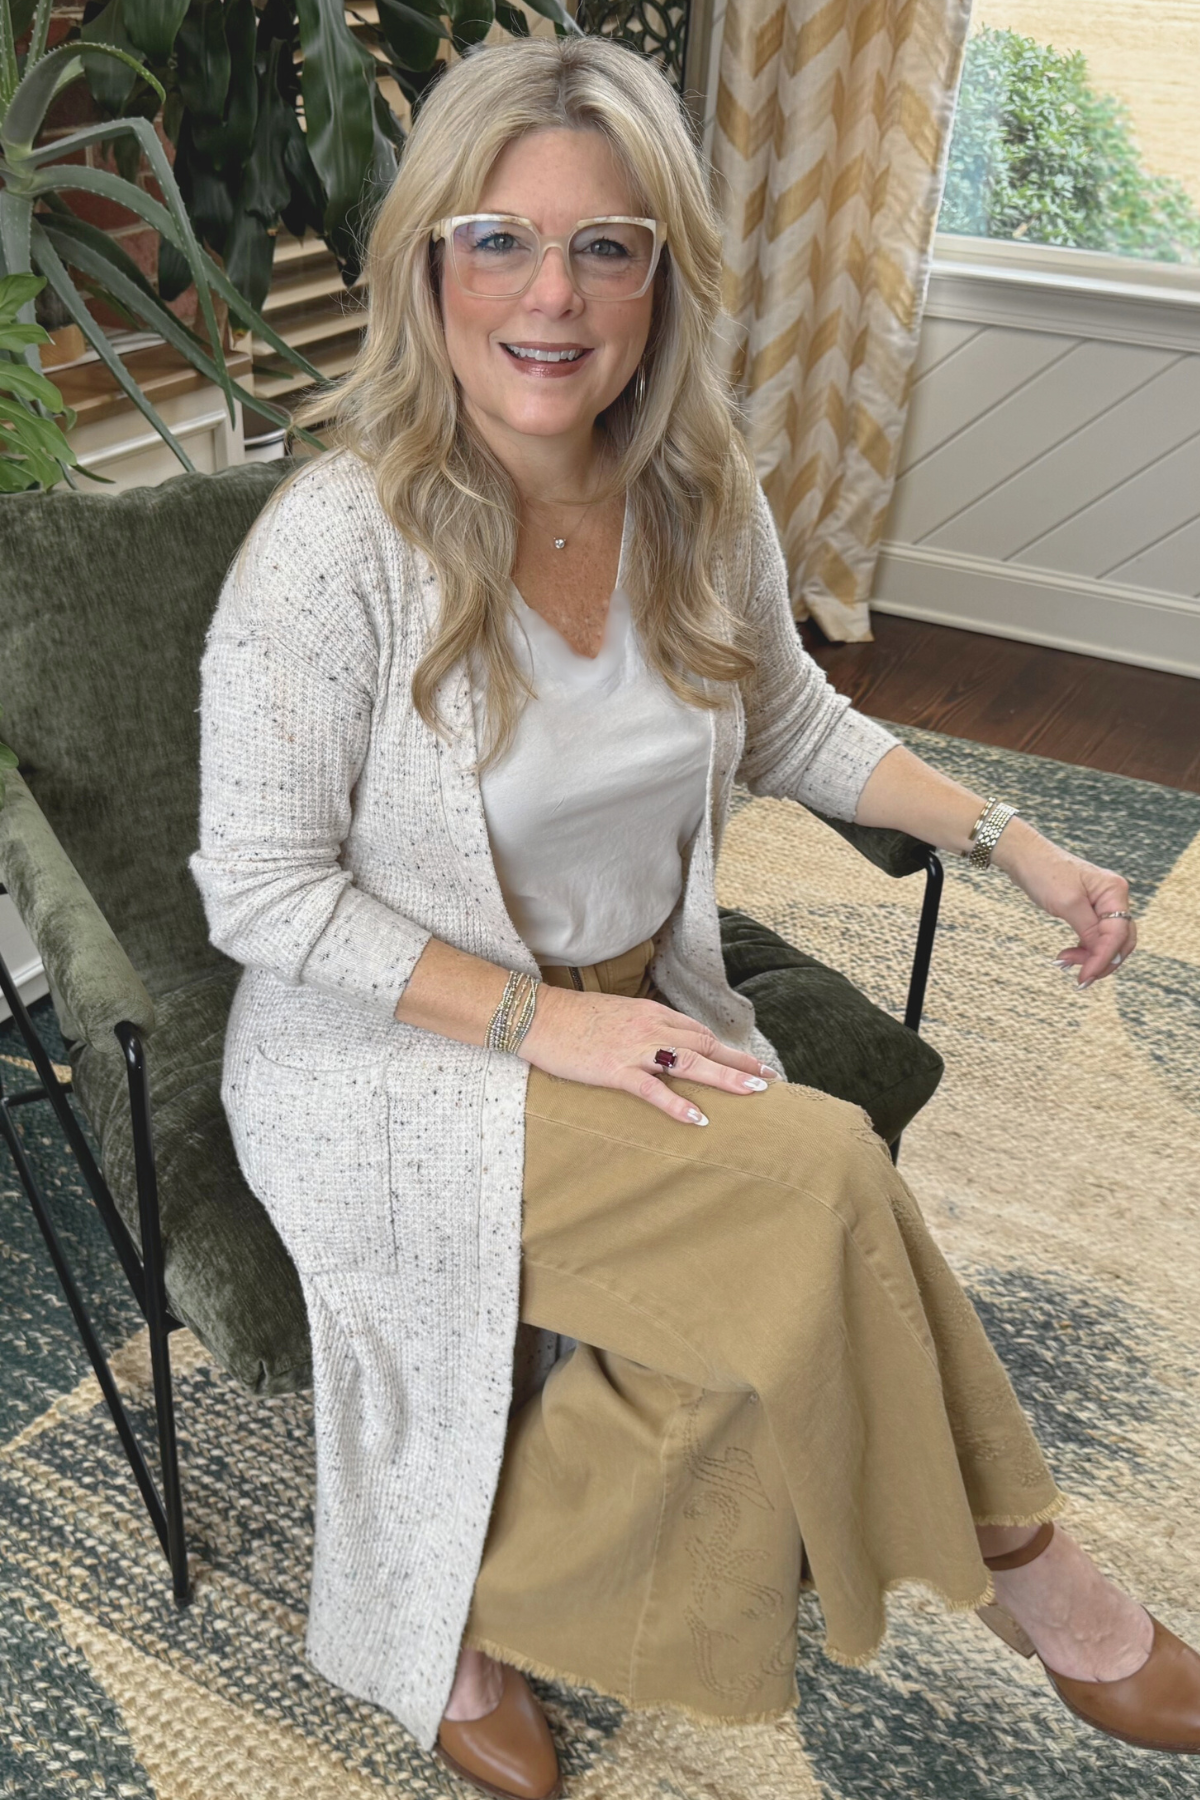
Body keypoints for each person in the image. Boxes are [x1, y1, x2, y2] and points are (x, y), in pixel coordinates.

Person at [190, 35, 1200, 1800]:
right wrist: (546, 1022)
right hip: (395, 1063)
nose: (552, 296)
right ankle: (1045, 1587)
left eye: (608, 246)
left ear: (663, 277)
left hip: (626, 1008)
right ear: (427, 267)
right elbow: (260, 890)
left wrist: (1015, 840)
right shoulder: (334, 545)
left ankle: (466, 1594)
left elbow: (794, 722)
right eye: (500, 241)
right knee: (825, 1179)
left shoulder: (695, 494)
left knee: (794, 1287)